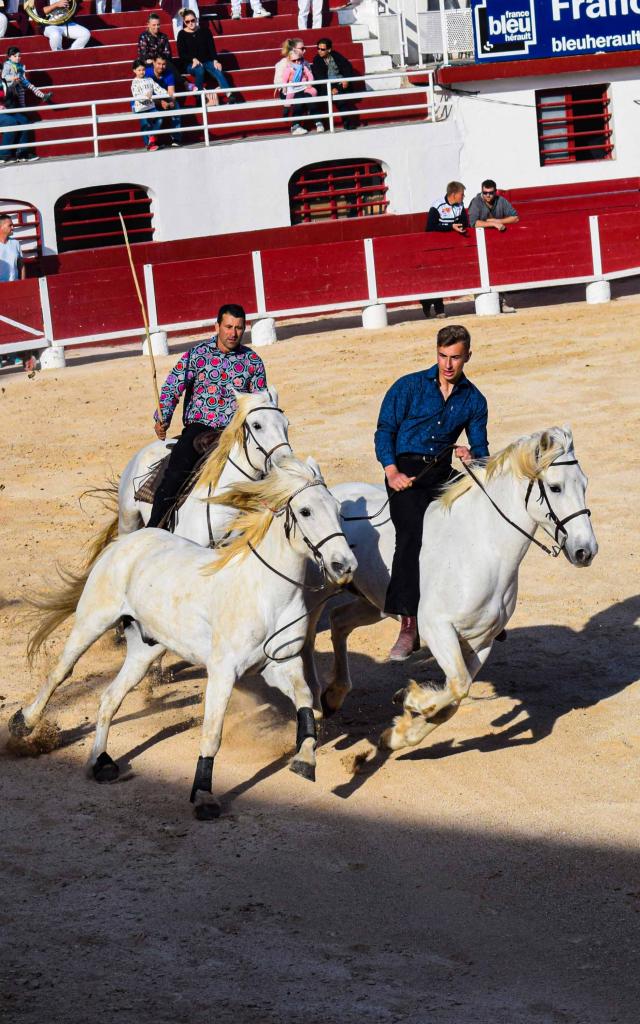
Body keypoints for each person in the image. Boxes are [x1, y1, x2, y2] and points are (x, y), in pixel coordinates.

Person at [374, 324, 489, 660]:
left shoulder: (474, 399)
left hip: (441, 471)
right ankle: (409, 626)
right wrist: (391, 471)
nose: (448, 364)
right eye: (442, 356)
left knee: (480, 518)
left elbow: (481, 450)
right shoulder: (408, 386)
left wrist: (472, 456)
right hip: (406, 470)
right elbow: (385, 431)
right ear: (436, 352)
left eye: (455, 357)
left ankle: (480, 606)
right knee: (411, 535)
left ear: (468, 355)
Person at [147, 303, 268, 529]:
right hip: (199, 430)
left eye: (239, 328)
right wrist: (162, 417)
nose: (233, 333)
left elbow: (259, 403)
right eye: (229, 327)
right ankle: (154, 529)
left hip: (236, 431)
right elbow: (173, 386)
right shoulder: (197, 355)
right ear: (217, 326)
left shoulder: (253, 362)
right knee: (175, 475)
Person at [468, 178, 520, 314]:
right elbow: (474, 223)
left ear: (495, 192)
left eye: (490, 193)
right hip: (478, 248)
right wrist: (493, 224)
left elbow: (515, 218)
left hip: (499, 245)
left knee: (500, 271)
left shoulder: (501, 201)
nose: (488, 196)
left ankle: (502, 302)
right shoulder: (476, 202)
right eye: (485, 193)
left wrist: (497, 220)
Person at [420, 181, 469, 320]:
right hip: (436, 248)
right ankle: (434, 305)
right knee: (437, 277)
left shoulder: (460, 206)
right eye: (462, 194)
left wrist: (459, 227)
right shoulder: (437, 206)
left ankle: (430, 303)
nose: (463, 196)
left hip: (453, 248)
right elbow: (430, 228)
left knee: (444, 276)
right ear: (453, 194)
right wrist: (450, 227)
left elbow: (464, 223)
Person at [177, 12, 241, 103]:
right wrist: (192, 59)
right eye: (187, 21)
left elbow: (212, 48)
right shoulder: (182, 34)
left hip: (206, 61)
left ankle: (230, 95)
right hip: (190, 63)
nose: (190, 23)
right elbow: (182, 53)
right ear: (184, 22)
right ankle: (199, 97)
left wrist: (215, 60)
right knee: (199, 70)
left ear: (196, 19)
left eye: (192, 20)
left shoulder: (205, 31)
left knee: (217, 69)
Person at [311, 37, 358, 130]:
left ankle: (348, 121)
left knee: (341, 94)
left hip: (340, 83)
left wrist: (346, 79)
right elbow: (320, 77)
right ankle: (348, 122)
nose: (319, 51)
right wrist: (331, 88)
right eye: (318, 48)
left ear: (329, 49)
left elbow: (347, 67)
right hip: (325, 86)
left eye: (322, 49)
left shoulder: (336, 55)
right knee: (340, 99)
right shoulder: (317, 59)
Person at [281, 41, 321, 136]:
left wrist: (309, 84)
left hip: (304, 86)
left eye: (304, 48)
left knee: (308, 97)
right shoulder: (284, 64)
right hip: (290, 89)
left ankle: (318, 122)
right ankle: (295, 125)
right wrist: (285, 88)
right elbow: (281, 79)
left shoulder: (304, 64)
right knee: (298, 99)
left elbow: (309, 75)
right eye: (302, 49)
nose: (304, 50)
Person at [145, 56, 182, 147]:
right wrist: (160, 102)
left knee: (176, 107)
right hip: (149, 100)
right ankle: (151, 140)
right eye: (159, 64)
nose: (161, 67)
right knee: (159, 118)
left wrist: (171, 102)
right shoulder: (147, 73)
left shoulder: (169, 74)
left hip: (164, 98)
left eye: (164, 64)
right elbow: (146, 94)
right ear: (153, 63)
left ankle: (176, 138)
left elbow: (171, 92)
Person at [131, 59, 167, 151]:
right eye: (139, 70)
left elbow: (157, 88)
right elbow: (136, 95)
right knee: (145, 125)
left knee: (159, 119)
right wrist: (145, 97)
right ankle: (149, 145)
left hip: (151, 106)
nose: (141, 72)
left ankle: (151, 137)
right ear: (134, 71)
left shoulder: (149, 80)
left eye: (143, 70)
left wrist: (166, 93)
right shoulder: (134, 83)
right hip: (141, 108)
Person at [0, 77, 33, 163]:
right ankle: (3, 155)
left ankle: (21, 152)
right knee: (10, 122)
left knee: (24, 120)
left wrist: (15, 85)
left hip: (7, 110)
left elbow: (9, 99)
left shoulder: (4, 81)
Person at [0, 213, 25, 281]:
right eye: (10, 225)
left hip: (15, 285)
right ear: (1, 227)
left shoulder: (16, 243)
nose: (13, 228)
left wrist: (23, 283)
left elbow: (21, 266)